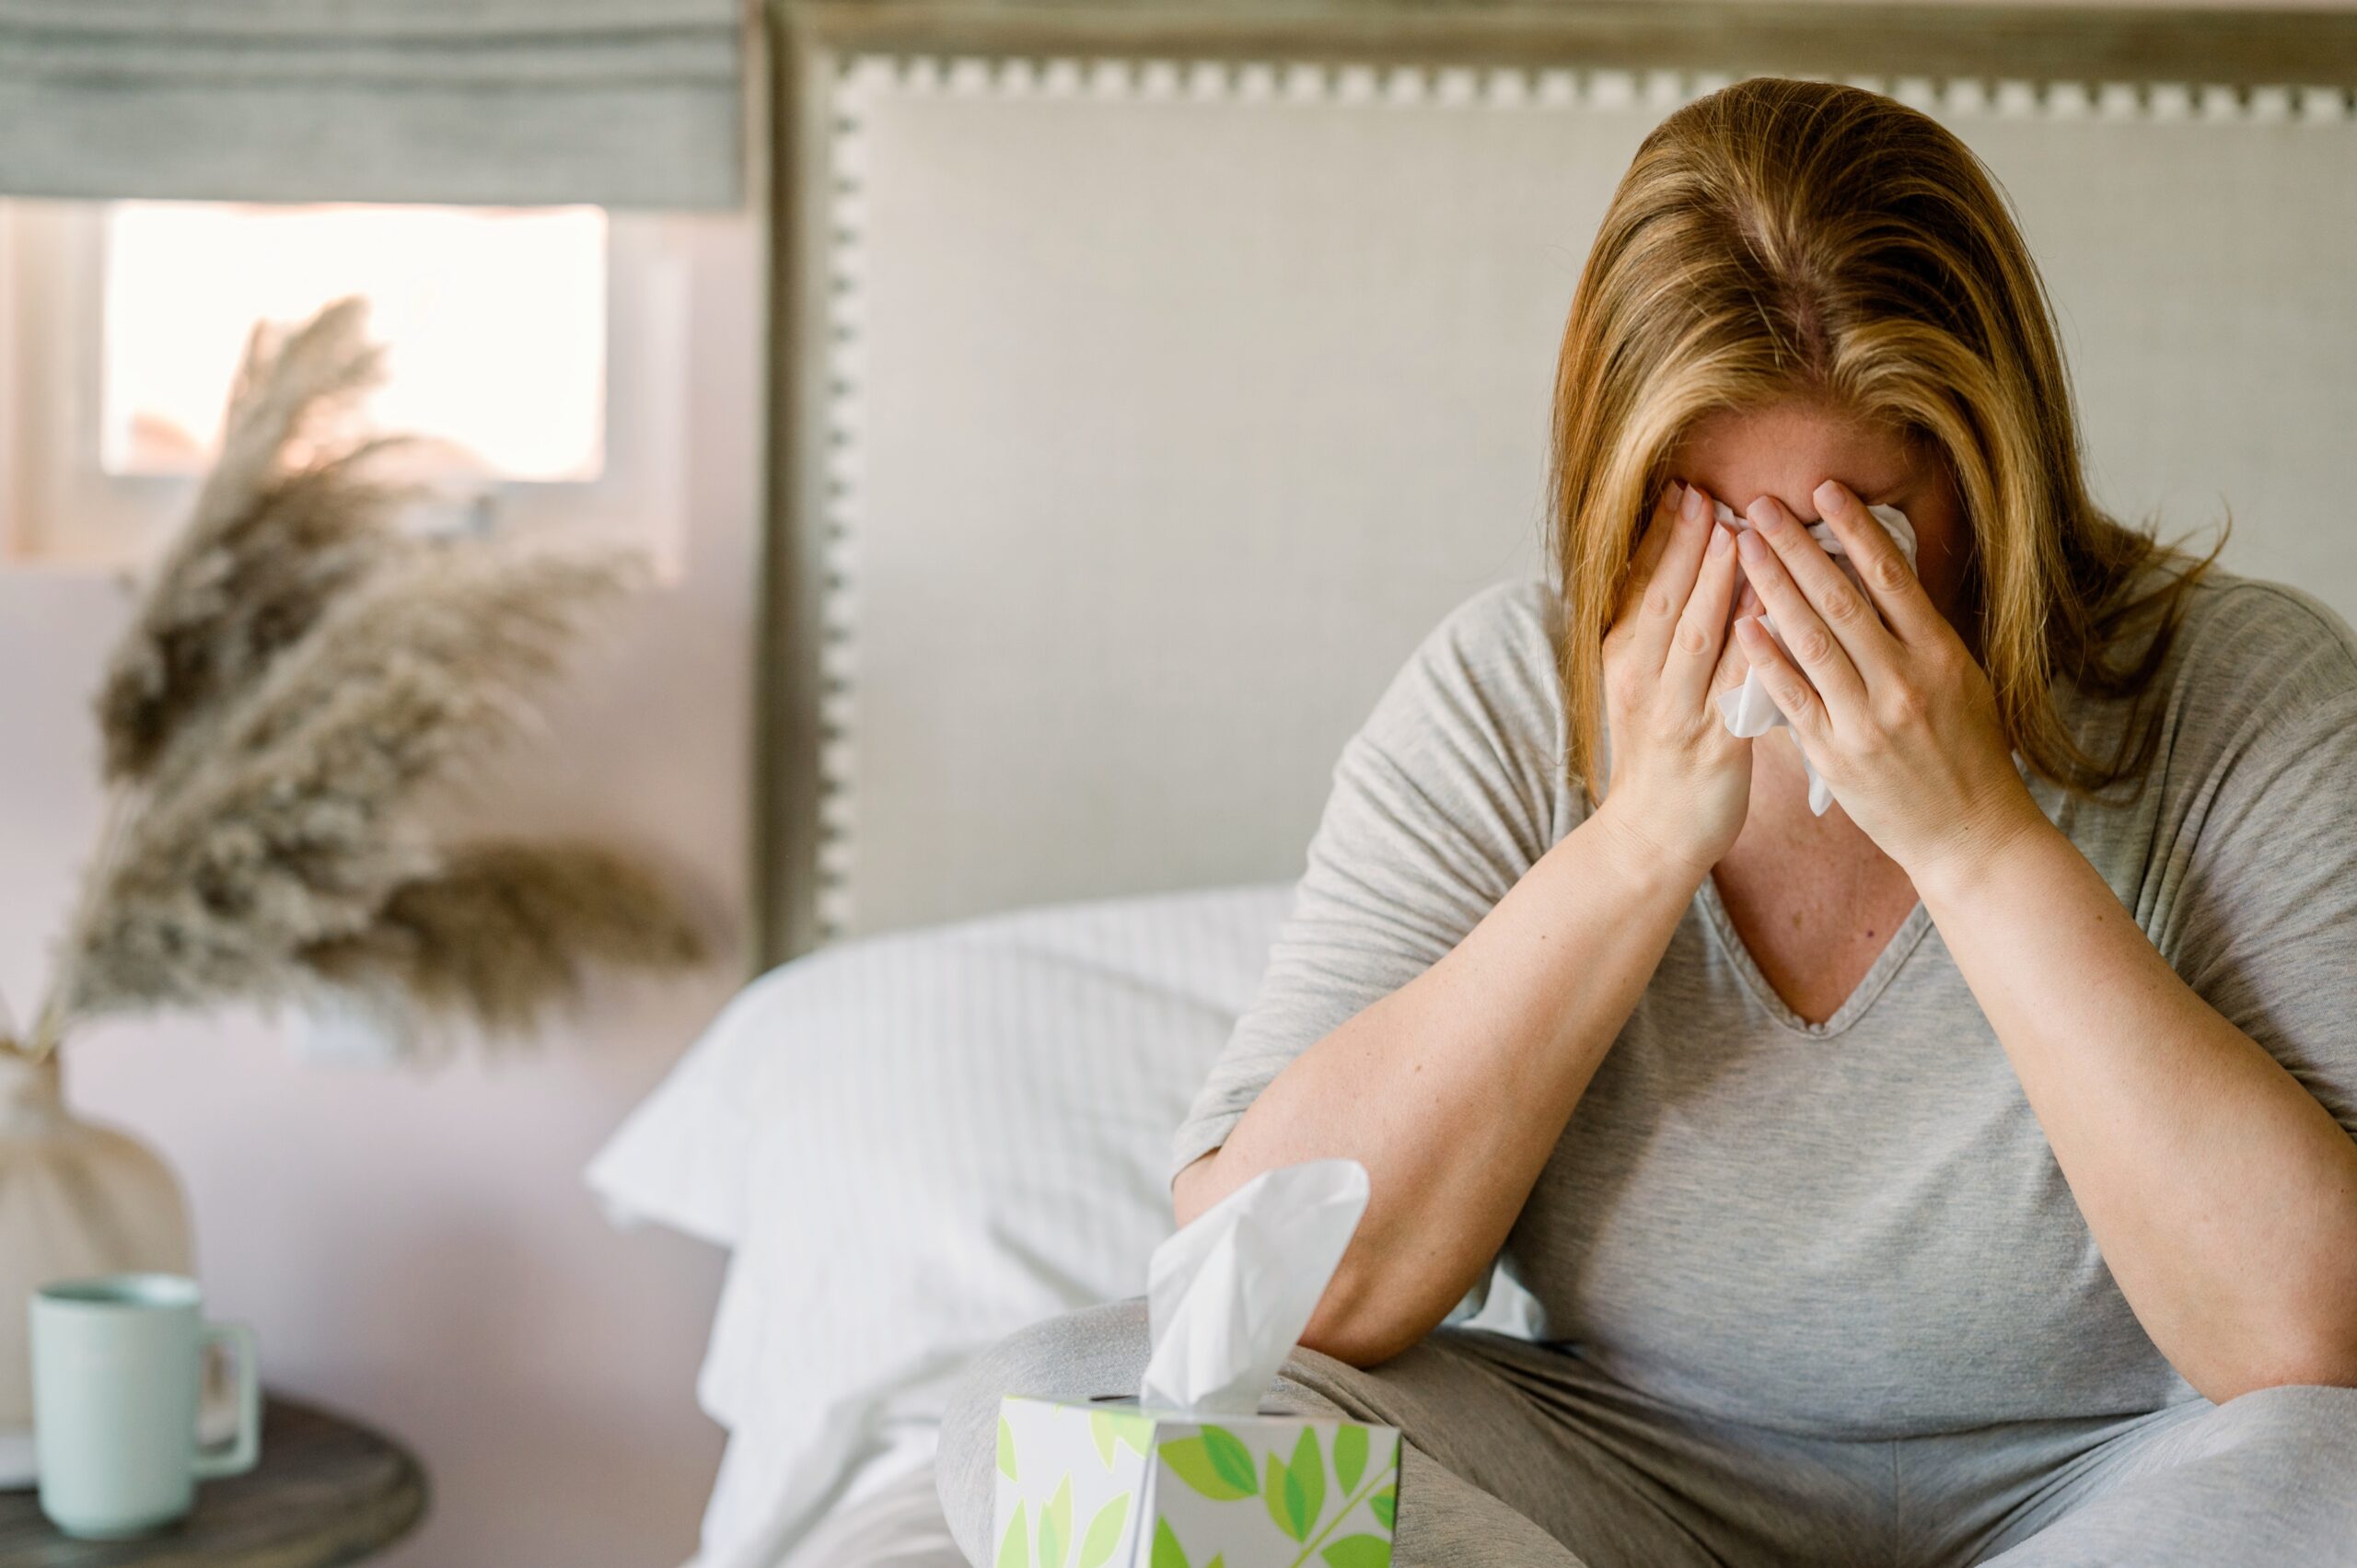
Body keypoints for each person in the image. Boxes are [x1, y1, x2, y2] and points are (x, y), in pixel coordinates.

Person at [935, 75, 2357, 1566]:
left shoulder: (2241, 697)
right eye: (1704, 524)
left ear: (1986, 484)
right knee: (1060, 1418)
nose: (1773, 603)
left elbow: (2310, 1335)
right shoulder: (1506, 698)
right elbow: (1279, 1298)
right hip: (1613, 1492)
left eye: (1844, 531)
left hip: (2119, 1491)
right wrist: (1631, 849)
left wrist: (1978, 846)